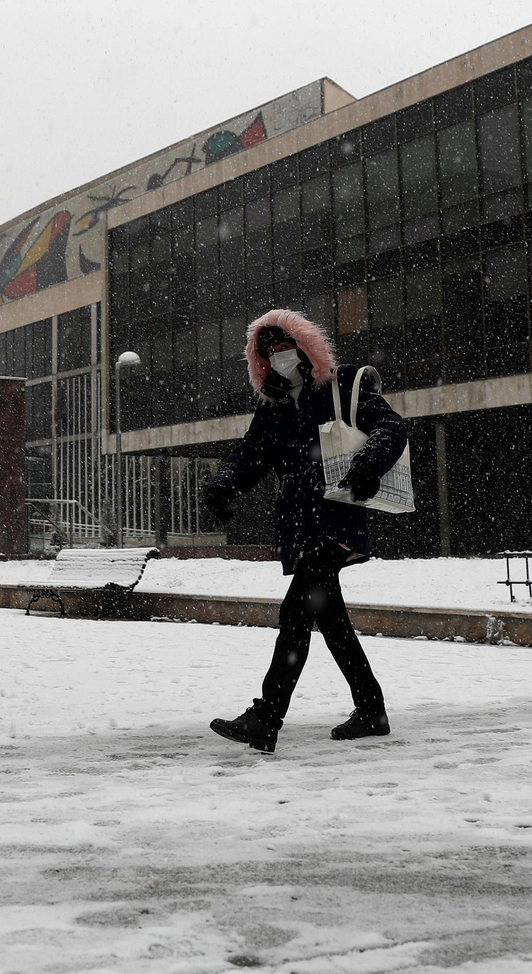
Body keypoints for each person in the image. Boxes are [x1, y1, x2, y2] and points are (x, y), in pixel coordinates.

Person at [203, 308, 408, 754]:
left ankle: (266, 716)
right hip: (300, 526)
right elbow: (250, 455)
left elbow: (391, 427)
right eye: (268, 349)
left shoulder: (342, 383)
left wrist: (369, 464)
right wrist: (222, 487)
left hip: (336, 518)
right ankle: (371, 709)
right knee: (331, 622)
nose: (277, 356)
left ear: (303, 345)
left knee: (295, 615)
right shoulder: (273, 405)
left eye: (283, 345)